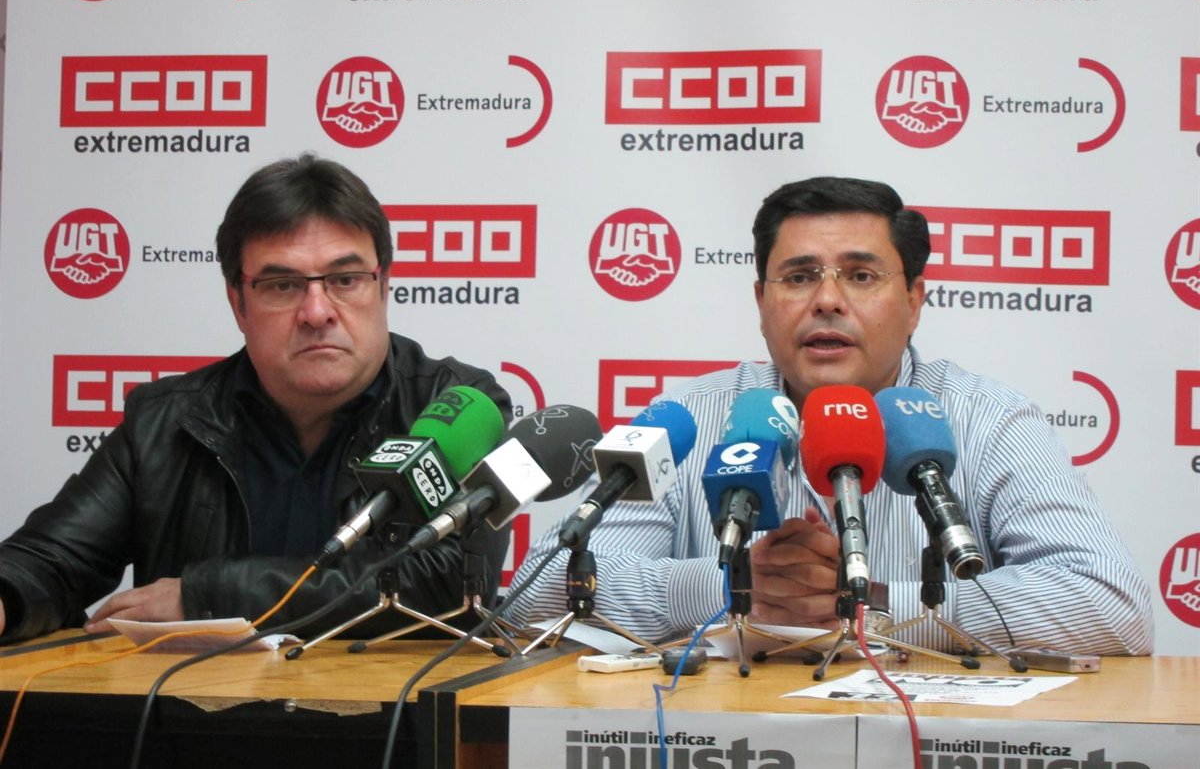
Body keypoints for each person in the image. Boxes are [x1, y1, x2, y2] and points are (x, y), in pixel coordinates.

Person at [507, 177, 1153, 656]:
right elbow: (535, 594)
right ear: (761, 302)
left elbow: (1111, 603)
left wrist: (872, 602)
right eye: (798, 277)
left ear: (914, 300)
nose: (827, 300)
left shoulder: (990, 420)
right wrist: (733, 589)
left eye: (861, 276)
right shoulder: (685, 418)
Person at [0, 154, 512, 643]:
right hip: (192, 703)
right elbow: (51, 560)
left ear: (384, 287)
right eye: (282, 285)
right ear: (237, 303)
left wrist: (209, 596)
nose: (317, 312)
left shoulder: (455, 406)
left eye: (345, 280)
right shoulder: (165, 422)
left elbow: (448, 583)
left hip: (388, 705)